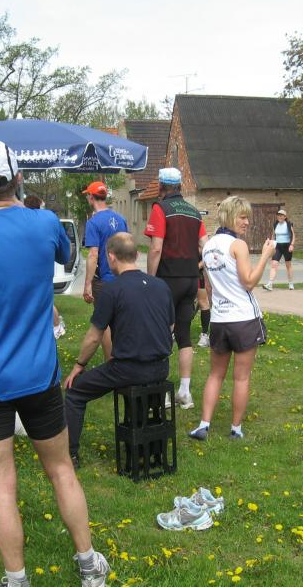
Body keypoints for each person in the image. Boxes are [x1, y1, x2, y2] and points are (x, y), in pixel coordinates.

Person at [0, 139, 109, 587]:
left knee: (0, 484)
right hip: (39, 374)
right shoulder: (44, 222)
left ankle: (17, 579)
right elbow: (64, 255)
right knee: (61, 469)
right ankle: (89, 564)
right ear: (19, 177)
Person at [64, 232, 174, 466]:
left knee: (75, 392)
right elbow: (170, 326)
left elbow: (94, 337)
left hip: (128, 369)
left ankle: (69, 454)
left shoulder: (111, 290)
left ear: (111, 257)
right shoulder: (161, 286)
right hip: (161, 367)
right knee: (136, 383)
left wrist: (79, 365)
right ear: (135, 255)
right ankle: (146, 448)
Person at [189, 196, 275, 441]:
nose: (247, 222)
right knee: (241, 376)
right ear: (229, 217)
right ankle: (236, 429)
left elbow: (209, 286)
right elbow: (248, 282)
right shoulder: (238, 245)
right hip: (243, 318)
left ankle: (204, 424)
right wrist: (266, 255)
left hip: (219, 319)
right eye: (242, 217)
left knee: (215, 374)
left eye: (248, 217)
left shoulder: (208, 246)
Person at [144, 168, 207, 410]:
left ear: (161, 186)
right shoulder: (194, 211)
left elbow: (156, 248)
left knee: (161, 333)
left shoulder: (161, 209)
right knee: (184, 335)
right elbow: (204, 245)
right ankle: (185, 392)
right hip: (191, 279)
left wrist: (150, 280)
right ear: (180, 186)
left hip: (168, 279)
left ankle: (162, 394)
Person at [81, 181, 128, 359]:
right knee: (121, 320)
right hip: (122, 277)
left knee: (104, 323)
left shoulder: (93, 222)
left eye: (87, 195)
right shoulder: (121, 219)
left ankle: (111, 362)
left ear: (91, 197)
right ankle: (123, 357)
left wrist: (87, 284)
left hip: (104, 280)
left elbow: (93, 254)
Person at [23, 194, 66, 339]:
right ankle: (56, 326)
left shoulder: (23, 224)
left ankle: (57, 326)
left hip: (30, 270)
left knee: (42, 302)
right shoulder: (46, 222)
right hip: (42, 270)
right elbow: (63, 254)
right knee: (45, 301)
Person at [263, 209, 296, 291]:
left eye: (281, 215)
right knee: (274, 264)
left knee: (288, 265)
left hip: (287, 246)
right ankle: (270, 284)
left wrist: (292, 245)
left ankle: (291, 283)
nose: (279, 217)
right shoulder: (275, 224)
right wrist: (271, 243)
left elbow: (293, 236)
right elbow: (273, 235)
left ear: (285, 217)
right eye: (278, 215)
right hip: (278, 247)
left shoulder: (288, 224)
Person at [195, 261, 211, 347]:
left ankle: (204, 336)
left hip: (195, 274)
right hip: (179, 274)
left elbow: (205, 259)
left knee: (203, 302)